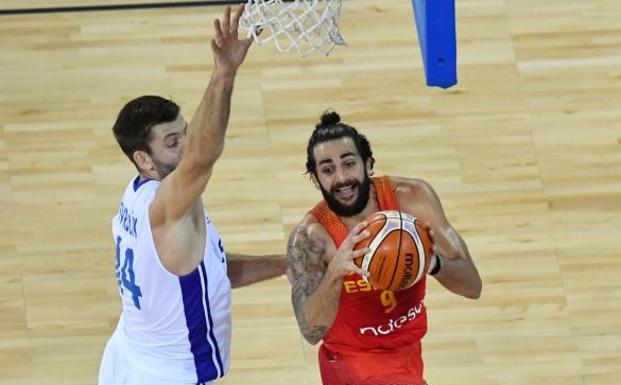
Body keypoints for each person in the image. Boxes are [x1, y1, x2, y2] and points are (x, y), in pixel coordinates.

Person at [99, 6, 285, 385]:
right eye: (172, 142)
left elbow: (209, 273)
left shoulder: (138, 197)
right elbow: (203, 157)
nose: (186, 146)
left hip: (129, 357)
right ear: (143, 159)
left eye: (185, 132)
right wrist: (224, 74)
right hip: (165, 376)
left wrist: (285, 265)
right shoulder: (163, 209)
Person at [287, 110, 482, 385]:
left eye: (349, 163)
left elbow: (473, 286)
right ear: (316, 179)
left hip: (407, 354)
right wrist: (334, 274)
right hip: (352, 363)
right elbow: (310, 332)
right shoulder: (311, 239)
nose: (341, 178)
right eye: (328, 170)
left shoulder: (413, 199)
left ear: (368, 164)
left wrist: (433, 263)